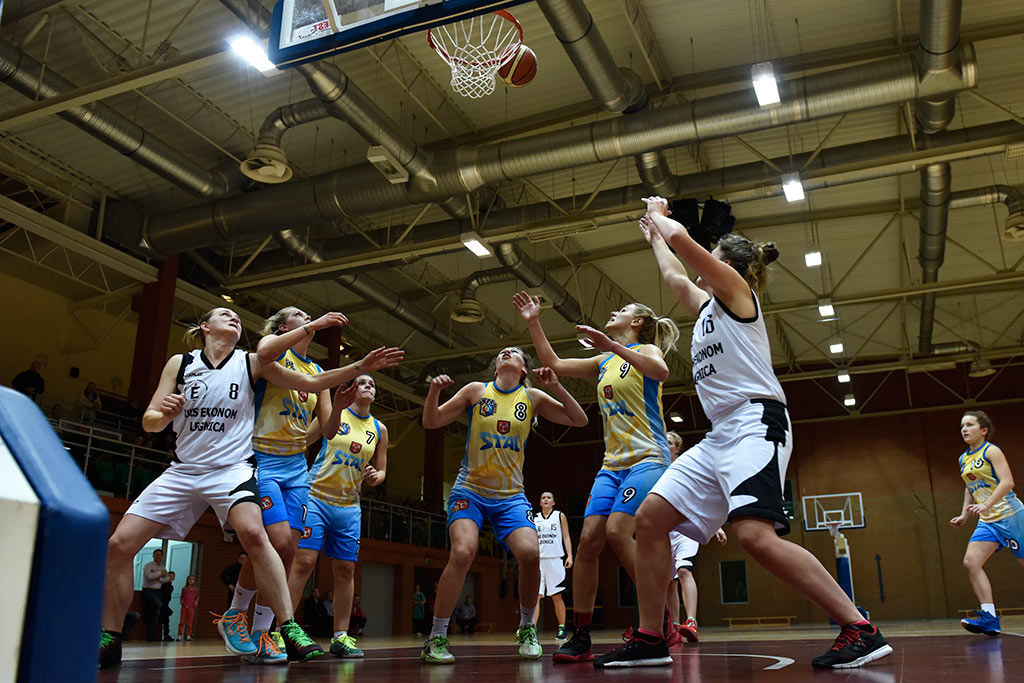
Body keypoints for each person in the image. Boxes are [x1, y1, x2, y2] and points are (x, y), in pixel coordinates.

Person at [591, 197, 893, 669]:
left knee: (754, 536)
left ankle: (860, 628)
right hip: (719, 435)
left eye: (712, 259)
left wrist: (661, 217)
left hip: (757, 423)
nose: (700, 269)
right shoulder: (707, 307)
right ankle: (651, 637)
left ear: (725, 264)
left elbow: (684, 246)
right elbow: (674, 275)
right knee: (649, 521)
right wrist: (653, 238)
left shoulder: (737, 292)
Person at [97, 307, 395, 669]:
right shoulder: (186, 362)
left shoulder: (251, 362)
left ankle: (278, 628)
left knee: (269, 539)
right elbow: (150, 421)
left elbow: (318, 395)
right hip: (194, 468)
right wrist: (165, 414)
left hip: (238, 469)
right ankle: (110, 638)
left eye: (238, 316)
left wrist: (360, 367)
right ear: (205, 325)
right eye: (225, 313)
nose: (235, 317)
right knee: (118, 546)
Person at [227, 307, 403, 664]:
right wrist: (317, 325)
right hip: (263, 458)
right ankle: (238, 615)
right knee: (275, 543)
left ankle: (263, 633)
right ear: (282, 326)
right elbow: (265, 351)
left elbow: (326, 430)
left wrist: (337, 406)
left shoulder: (318, 371)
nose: (305, 316)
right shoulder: (273, 352)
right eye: (298, 314)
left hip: (296, 468)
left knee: (286, 551)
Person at [513, 291, 678, 663]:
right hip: (612, 464)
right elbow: (552, 361)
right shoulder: (603, 360)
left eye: (623, 310)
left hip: (647, 457)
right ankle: (582, 634)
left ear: (637, 323)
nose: (613, 312)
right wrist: (533, 322)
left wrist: (608, 344)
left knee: (619, 531)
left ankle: (657, 620)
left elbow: (662, 372)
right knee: (588, 542)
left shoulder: (647, 352)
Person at [419, 347, 588, 664]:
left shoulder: (533, 398)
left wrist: (556, 386)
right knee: (463, 551)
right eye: (502, 352)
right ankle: (435, 637)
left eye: (515, 352)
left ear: (524, 368)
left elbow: (579, 420)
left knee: (530, 553)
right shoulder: (476, 391)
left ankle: (527, 627)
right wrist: (434, 391)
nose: (507, 352)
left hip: (510, 496)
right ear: (496, 365)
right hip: (469, 490)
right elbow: (431, 421)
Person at [287, 373, 388, 659]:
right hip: (316, 496)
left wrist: (374, 476)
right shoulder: (333, 414)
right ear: (352, 389)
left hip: (349, 506)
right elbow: (301, 442)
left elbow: (381, 470)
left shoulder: (379, 429)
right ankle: (284, 629)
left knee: (345, 570)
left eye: (372, 385)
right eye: (363, 383)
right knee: (304, 562)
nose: (368, 387)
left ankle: (341, 636)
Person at [950, 410, 1024, 636]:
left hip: (1010, 516)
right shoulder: (964, 458)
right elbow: (969, 486)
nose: (964, 429)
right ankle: (990, 617)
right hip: (988, 521)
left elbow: (1008, 482)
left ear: (983, 430)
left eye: (970, 425)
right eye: (962, 425)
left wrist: (987, 504)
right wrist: (964, 515)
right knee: (971, 562)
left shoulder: (991, 450)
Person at [663, 432, 726, 645]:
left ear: (677, 448)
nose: (665, 445)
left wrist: (715, 525)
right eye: (663, 441)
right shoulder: (653, 469)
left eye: (669, 443)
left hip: (685, 530)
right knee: (668, 583)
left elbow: (701, 497)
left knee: (684, 571)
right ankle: (673, 627)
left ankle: (691, 622)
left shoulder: (685, 468)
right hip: (664, 531)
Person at [531, 491, 573, 642]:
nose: (546, 499)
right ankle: (532, 629)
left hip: (555, 560)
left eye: (549, 497)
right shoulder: (534, 518)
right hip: (539, 561)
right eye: (543, 498)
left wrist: (570, 556)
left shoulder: (559, 515)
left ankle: (562, 628)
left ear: (554, 502)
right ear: (540, 503)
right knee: (536, 597)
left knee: (557, 596)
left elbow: (566, 536)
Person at [140, 549, 168, 642]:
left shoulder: (162, 566)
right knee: (159, 605)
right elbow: (149, 576)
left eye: (160, 555)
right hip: (148, 590)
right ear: (153, 555)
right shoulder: (148, 565)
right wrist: (160, 574)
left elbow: (167, 578)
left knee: (155, 614)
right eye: (156, 554)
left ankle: (151, 636)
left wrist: (160, 578)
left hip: (158, 591)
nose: (158, 556)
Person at [178, 575, 199, 641]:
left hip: (191, 606)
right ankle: (179, 635)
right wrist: (181, 601)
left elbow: (197, 597)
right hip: (184, 606)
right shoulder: (184, 589)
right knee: (182, 621)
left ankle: (188, 635)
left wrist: (196, 601)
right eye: (189, 579)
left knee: (190, 622)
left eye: (192, 579)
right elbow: (182, 596)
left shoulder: (196, 589)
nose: (191, 580)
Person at [160, 571, 175, 641]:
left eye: (172, 576)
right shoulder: (164, 585)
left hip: (165, 604)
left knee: (166, 620)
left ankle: (166, 635)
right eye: (170, 576)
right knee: (164, 620)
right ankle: (165, 635)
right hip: (162, 604)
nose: (171, 578)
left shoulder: (170, 586)